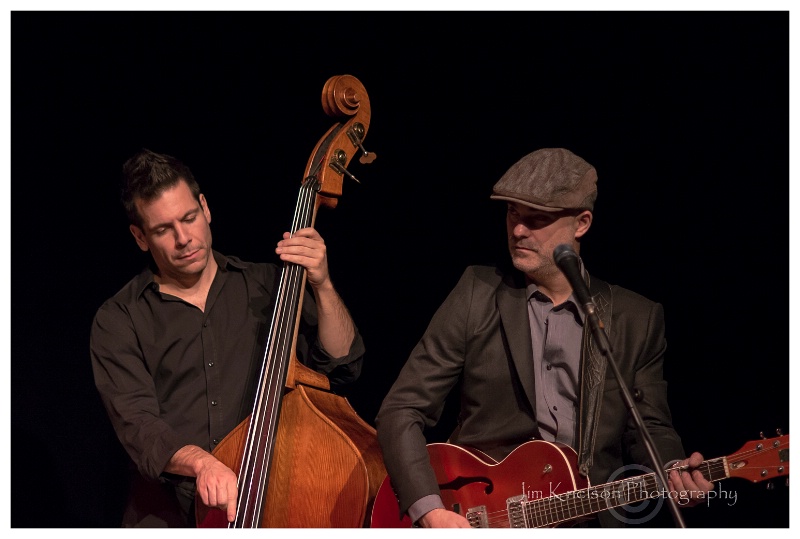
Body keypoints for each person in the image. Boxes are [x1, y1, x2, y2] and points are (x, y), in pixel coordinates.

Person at [375, 147, 714, 528]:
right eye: (513, 214)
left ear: (582, 223)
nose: (518, 230)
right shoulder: (476, 292)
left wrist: (673, 468)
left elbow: (650, 426)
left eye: (537, 218)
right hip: (483, 512)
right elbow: (401, 409)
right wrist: (431, 510)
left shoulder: (636, 318)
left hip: (590, 517)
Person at [90, 148, 365, 527]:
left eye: (189, 218)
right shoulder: (119, 318)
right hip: (169, 514)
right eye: (162, 230)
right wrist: (203, 463)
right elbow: (138, 425)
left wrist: (323, 285)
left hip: (276, 503)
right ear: (140, 237)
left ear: (205, 208)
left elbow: (342, 366)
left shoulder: (269, 286)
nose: (183, 238)